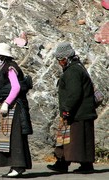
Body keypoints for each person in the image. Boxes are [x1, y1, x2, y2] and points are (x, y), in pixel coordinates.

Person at [47, 41, 98, 173]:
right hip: (80, 111)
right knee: (67, 138)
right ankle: (62, 163)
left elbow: (75, 93)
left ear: (67, 58)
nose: (60, 63)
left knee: (77, 140)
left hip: (77, 112)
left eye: (61, 60)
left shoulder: (73, 71)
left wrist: (67, 109)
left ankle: (85, 166)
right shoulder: (78, 67)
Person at [0, 42, 33, 177]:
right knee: (11, 137)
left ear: (3, 57)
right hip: (12, 106)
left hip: (15, 107)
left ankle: (18, 167)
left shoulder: (10, 68)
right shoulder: (7, 67)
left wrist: (6, 103)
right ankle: (16, 166)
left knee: (15, 136)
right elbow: (7, 87)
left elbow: (16, 87)